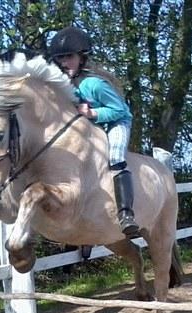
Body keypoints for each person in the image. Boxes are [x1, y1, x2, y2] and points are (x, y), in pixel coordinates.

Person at [48, 26, 140, 238]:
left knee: (115, 156)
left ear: (82, 57)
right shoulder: (63, 86)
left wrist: (92, 113)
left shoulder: (95, 84)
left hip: (116, 123)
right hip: (91, 128)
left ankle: (126, 214)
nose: (64, 63)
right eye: (60, 58)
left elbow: (120, 110)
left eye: (69, 57)